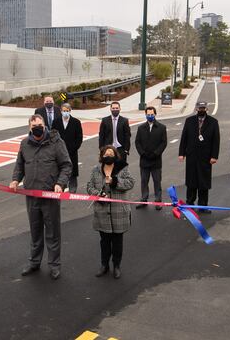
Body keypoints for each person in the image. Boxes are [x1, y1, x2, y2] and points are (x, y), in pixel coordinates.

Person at [9, 114, 72, 280]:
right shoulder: (25, 144)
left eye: (40, 124)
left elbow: (66, 165)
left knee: (52, 233)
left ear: (45, 125)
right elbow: (20, 165)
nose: (37, 127)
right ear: (30, 127)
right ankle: (34, 262)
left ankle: (54, 265)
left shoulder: (56, 142)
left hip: (50, 195)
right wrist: (15, 180)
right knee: (35, 232)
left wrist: (60, 183)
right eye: (34, 125)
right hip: (31, 196)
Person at [86, 145, 135, 279]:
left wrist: (114, 182)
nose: (108, 156)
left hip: (119, 212)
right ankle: (104, 265)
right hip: (102, 212)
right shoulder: (96, 170)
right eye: (106, 154)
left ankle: (117, 265)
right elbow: (89, 186)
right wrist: (98, 194)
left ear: (115, 156)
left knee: (117, 241)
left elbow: (130, 183)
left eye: (111, 153)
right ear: (102, 156)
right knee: (104, 241)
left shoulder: (122, 169)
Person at [178, 101, 220, 213]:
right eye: (199, 108)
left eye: (203, 108)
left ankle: (203, 206)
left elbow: (216, 141)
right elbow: (184, 138)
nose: (201, 110)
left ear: (207, 109)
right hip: (192, 156)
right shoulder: (189, 121)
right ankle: (189, 204)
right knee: (191, 181)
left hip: (206, 158)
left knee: (203, 182)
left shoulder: (213, 122)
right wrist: (181, 153)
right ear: (196, 109)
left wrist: (214, 156)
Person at [134, 106, 167, 210]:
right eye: (148, 114)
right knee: (144, 181)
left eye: (152, 114)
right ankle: (144, 199)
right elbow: (137, 142)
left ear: (155, 114)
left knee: (157, 181)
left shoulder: (162, 127)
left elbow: (163, 143)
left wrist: (156, 153)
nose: (150, 116)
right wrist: (142, 153)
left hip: (156, 160)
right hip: (144, 160)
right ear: (145, 115)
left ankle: (158, 201)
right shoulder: (141, 128)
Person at [58, 103, 83, 193]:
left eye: (67, 111)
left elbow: (79, 137)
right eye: (64, 111)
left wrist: (74, 147)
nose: (65, 112)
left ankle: (72, 187)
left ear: (70, 111)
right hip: (60, 151)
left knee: (72, 169)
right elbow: (53, 135)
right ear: (61, 111)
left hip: (72, 150)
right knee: (60, 168)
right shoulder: (56, 121)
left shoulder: (76, 122)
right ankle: (62, 185)